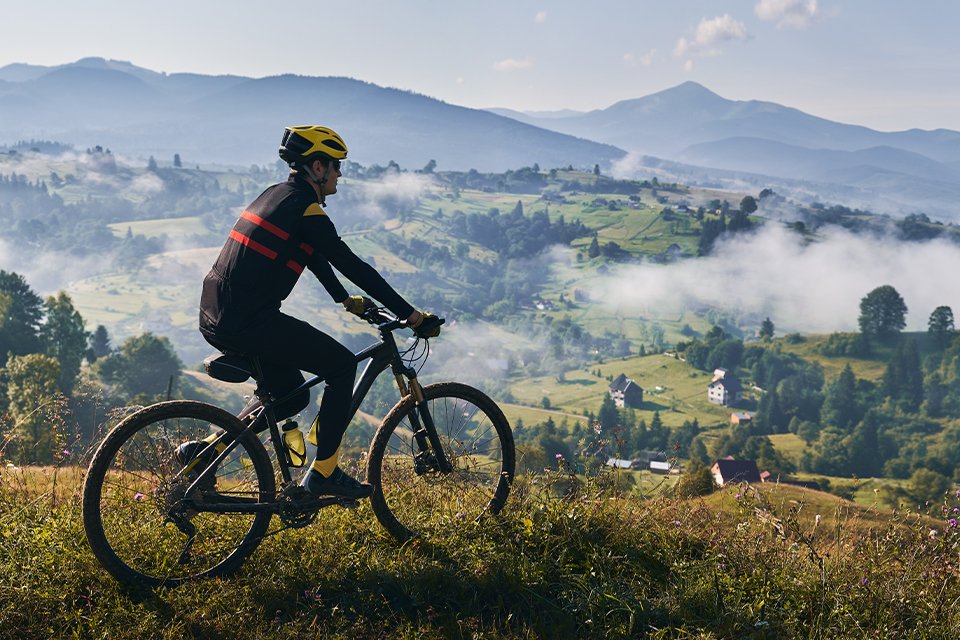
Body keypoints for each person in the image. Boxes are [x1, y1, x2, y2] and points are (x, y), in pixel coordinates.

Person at [183, 125, 441, 499]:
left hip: (216, 311)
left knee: (290, 395)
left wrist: (344, 300)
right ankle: (324, 473)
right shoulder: (306, 209)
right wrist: (412, 316)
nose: (340, 174)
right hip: (247, 318)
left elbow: (312, 254)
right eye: (336, 166)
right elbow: (352, 264)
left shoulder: (277, 195)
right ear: (317, 167)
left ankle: (205, 451)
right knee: (340, 365)